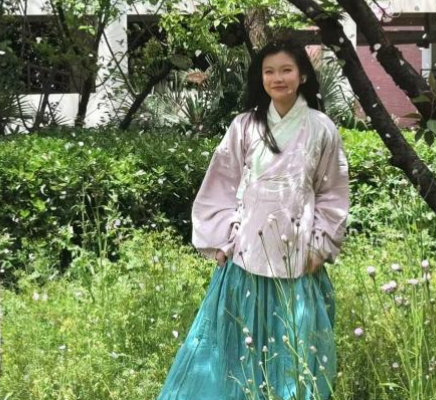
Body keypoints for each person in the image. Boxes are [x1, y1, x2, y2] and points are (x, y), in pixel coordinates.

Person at [157, 39, 349, 400]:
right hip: (246, 255)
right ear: (260, 78)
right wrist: (221, 238)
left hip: (298, 257)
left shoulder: (322, 128)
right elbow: (222, 181)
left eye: (286, 70)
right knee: (235, 347)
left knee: (294, 347)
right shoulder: (244, 125)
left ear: (302, 75)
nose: (278, 78)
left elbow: (332, 192)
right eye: (269, 71)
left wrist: (320, 246)